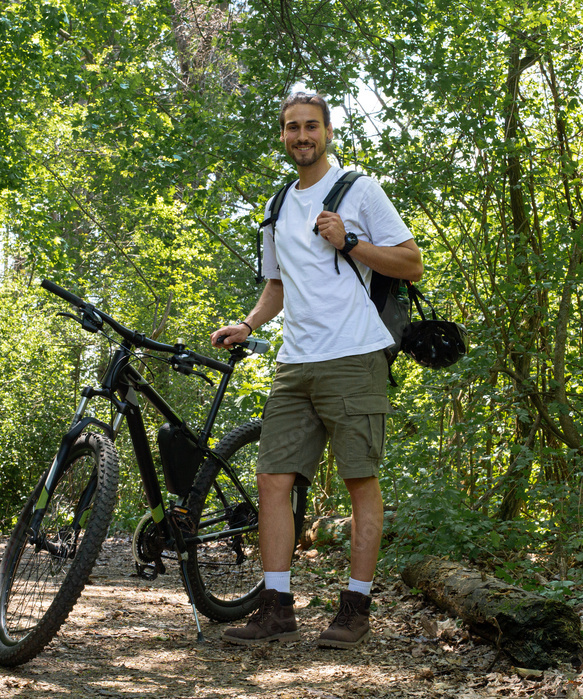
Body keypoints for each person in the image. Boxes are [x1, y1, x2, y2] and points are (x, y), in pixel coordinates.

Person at [210, 92, 423, 648]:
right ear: (283, 135)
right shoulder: (278, 204)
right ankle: (277, 607)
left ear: (328, 131)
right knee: (272, 480)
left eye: (310, 126)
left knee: (359, 480)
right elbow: (278, 284)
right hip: (294, 361)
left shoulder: (359, 188)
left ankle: (355, 608)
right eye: (291, 128)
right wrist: (251, 324)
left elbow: (412, 262)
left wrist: (350, 241)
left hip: (354, 355)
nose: (301, 135)